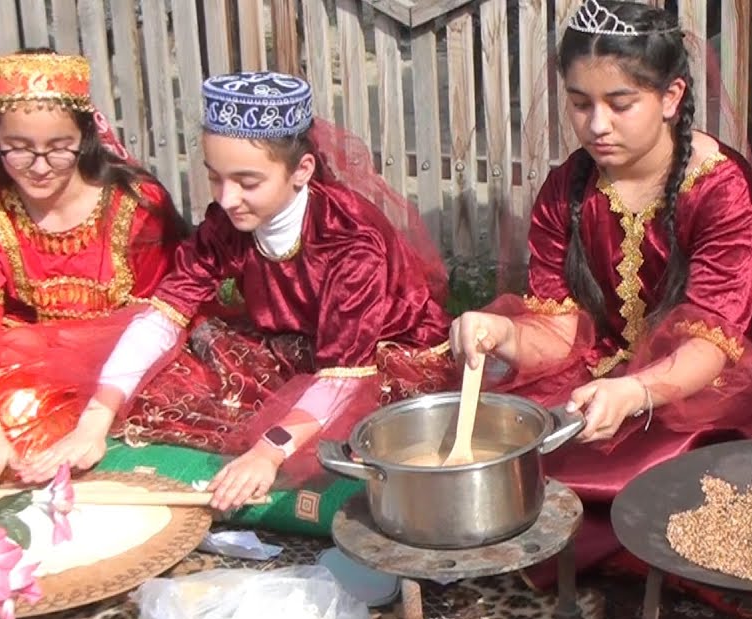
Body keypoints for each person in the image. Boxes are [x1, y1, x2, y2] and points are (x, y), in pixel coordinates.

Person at [451, 0, 752, 582]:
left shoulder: (722, 191)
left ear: (671, 98)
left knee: (640, 476)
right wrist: (503, 332)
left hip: (706, 383)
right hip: (602, 373)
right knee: (507, 445)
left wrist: (634, 391)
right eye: (580, 104)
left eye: (619, 104)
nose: (596, 125)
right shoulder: (568, 188)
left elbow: (711, 346)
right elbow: (560, 334)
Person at [25, 71, 454, 513]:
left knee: (344, 439)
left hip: (377, 357)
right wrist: (96, 418)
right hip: (297, 344)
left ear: (301, 170)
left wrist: (269, 451)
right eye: (216, 179)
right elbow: (167, 310)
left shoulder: (349, 241)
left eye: (248, 183)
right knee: (168, 374)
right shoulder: (225, 222)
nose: (228, 199)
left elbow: (344, 373)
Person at [0, 50, 185, 496]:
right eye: (18, 150)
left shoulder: (136, 205)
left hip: (131, 362)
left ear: (87, 136)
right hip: (24, 365)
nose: (39, 167)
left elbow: (167, 315)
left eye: (59, 149)